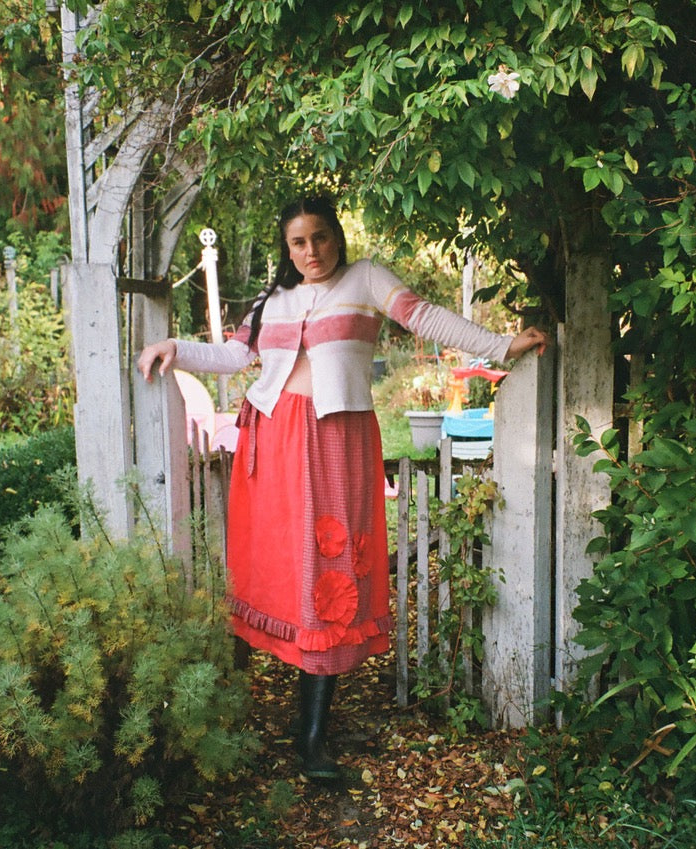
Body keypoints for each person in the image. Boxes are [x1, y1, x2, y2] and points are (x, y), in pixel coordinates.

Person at [137, 195, 547, 779]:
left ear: (337, 236)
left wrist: (503, 345)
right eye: (299, 242)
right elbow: (233, 355)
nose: (312, 251)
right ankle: (244, 713)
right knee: (275, 569)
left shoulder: (366, 279)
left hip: (336, 437)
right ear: (287, 248)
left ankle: (311, 739)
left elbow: (426, 317)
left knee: (326, 574)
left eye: (321, 237)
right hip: (272, 439)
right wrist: (174, 349)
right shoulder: (273, 301)